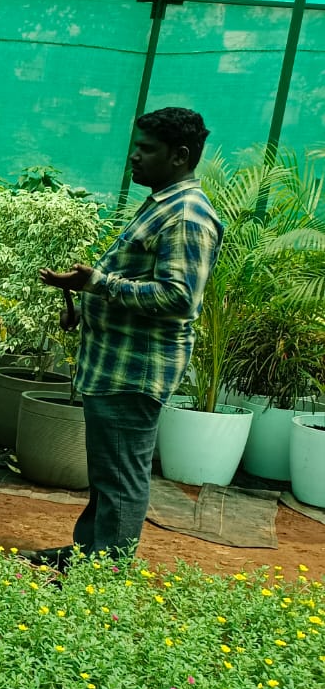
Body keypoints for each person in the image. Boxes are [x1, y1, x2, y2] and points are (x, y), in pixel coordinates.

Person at [36, 107, 222, 565]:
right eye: (135, 146)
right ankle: (89, 554)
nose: (134, 156)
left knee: (122, 477)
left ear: (180, 156)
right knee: (109, 471)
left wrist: (99, 284)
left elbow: (179, 298)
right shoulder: (163, 204)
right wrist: (82, 296)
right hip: (114, 364)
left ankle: (105, 574)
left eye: (147, 149)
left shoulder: (187, 216)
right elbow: (140, 280)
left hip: (134, 371)